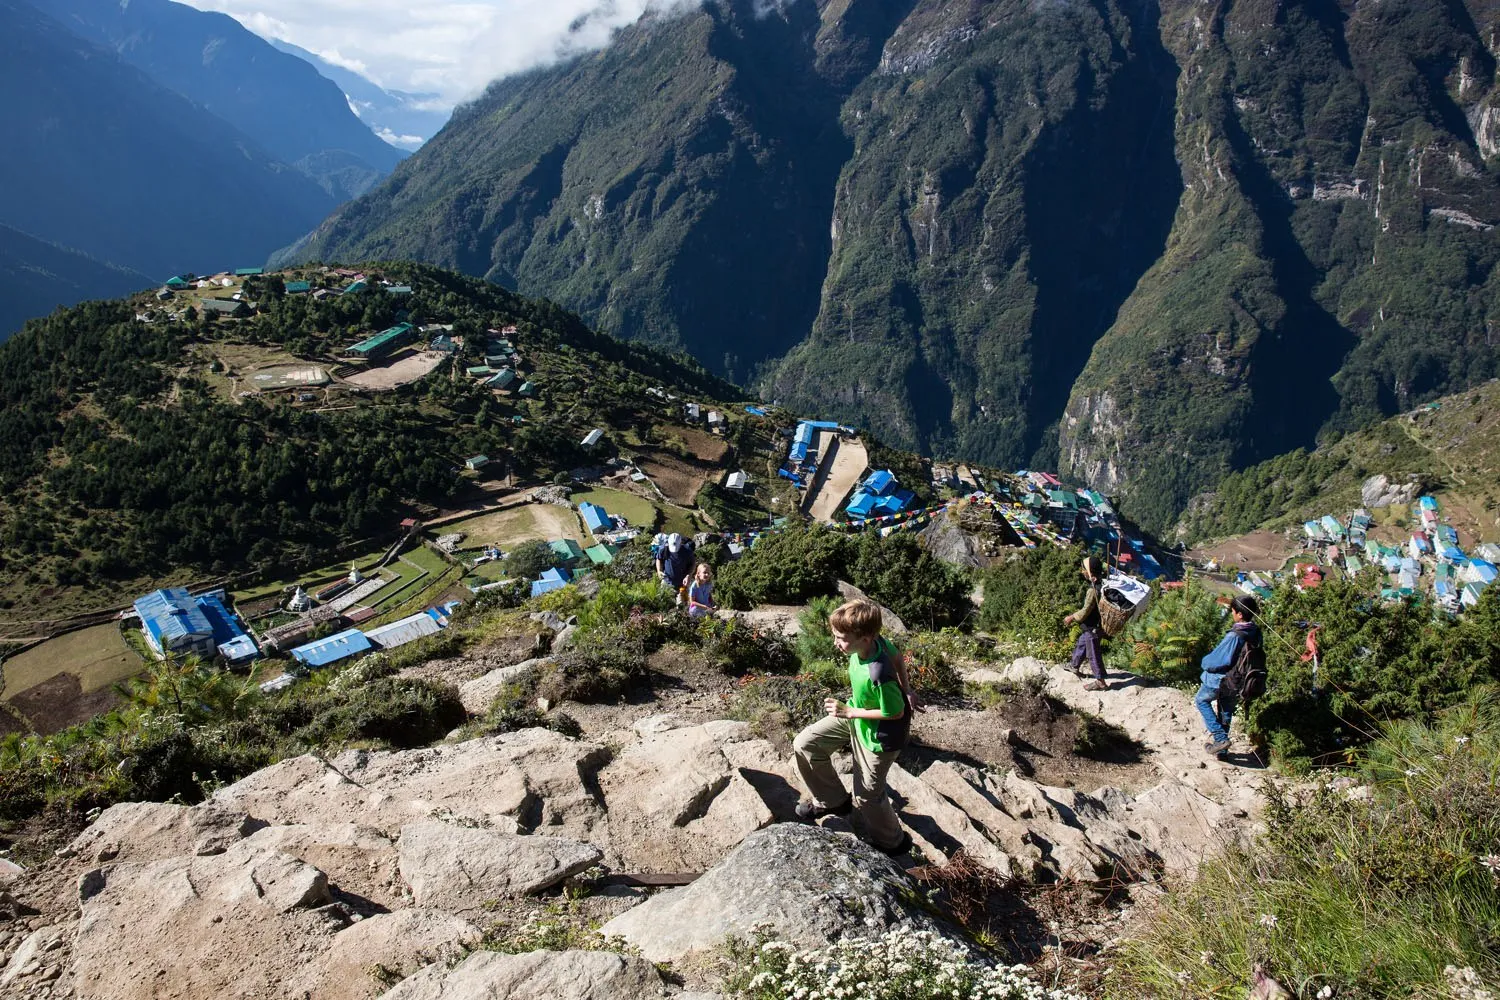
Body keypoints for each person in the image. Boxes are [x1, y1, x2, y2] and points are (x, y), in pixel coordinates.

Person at [791, 599, 913, 856]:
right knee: (805, 744)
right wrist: (909, 689)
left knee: (867, 797)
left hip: (879, 736)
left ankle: (894, 844)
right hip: (857, 714)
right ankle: (832, 801)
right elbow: (899, 656)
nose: (836, 642)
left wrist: (850, 712)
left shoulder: (877, 671)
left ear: (865, 638)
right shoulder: (876, 645)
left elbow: (895, 712)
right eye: (835, 635)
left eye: (841, 637)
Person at [1196, 595, 1261, 757]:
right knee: (1225, 712)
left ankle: (1220, 739)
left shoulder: (1235, 635)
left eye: (1233, 611)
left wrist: (1203, 662)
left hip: (1221, 679)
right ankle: (1222, 751)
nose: (1232, 613)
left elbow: (1217, 660)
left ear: (1239, 614)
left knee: (1201, 701)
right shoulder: (1255, 632)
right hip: (1241, 681)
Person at [1062, 555, 1109, 691]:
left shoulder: (1092, 590)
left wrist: (1071, 617)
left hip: (1092, 627)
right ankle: (1074, 665)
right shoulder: (1102, 584)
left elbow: (1085, 611)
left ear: (1090, 572)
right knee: (1082, 643)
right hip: (1096, 625)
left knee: (1093, 654)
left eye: (1084, 569)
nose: (1082, 571)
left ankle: (1100, 681)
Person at [655, 532, 695, 600]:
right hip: (667, 581)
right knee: (663, 600)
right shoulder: (664, 549)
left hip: (683, 583)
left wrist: (689, 574)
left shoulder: (687, 551)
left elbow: (693, 564)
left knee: (683, 602)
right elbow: (659, 559)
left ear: (680, 543)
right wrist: (659, 571)